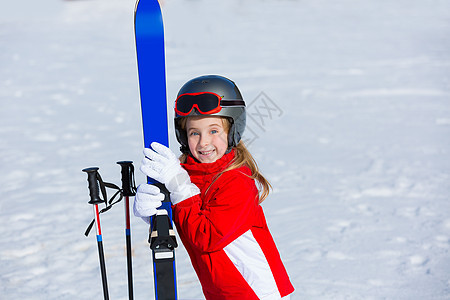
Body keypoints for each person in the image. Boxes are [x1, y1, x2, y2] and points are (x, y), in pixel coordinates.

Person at [134, 75, 294, 299]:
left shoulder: (237, 181)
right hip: (220, 292)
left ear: (232, 131)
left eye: (213, 131)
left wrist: (178, 184)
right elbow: (187, 214)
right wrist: (155, 209)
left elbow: (205, 236)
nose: (203, 142)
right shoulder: (186, 174)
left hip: (256, 293)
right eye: (194, 133)